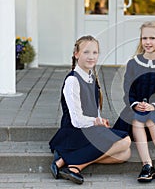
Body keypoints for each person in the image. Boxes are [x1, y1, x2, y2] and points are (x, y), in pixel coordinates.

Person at [49, 35, 131, 184]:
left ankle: (69, 161)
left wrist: (99, 121)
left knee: (125, 154)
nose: (91, 57)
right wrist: (97, 121)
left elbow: (93, 108)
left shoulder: (91, 77)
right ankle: (74, 165)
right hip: (74, 131)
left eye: (95, 53)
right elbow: (76, 120)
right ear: (76, 54)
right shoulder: (73, 80)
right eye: (86, 52)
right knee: (125, 142)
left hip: (89, 128)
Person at [113, 21, 155, 184]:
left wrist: (153, 105)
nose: (148, 42)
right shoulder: (133, 64)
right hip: (134, 108)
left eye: (152, 38)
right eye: (144, 38)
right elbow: (128, 90)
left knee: (150, 117)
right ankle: (147, 165)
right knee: (138, 118)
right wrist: (135, 104)